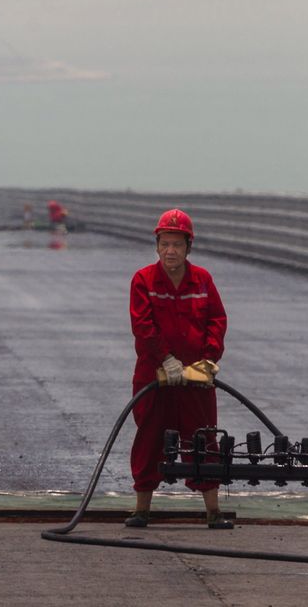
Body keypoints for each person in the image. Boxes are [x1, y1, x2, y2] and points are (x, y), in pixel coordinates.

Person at [126, 208, 232, 529]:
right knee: (149, 438)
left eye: (177, 244)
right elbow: (143, 327)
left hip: (196, 378)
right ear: (157, 246)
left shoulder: (203, 280)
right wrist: (166, 360)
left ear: (189, 247)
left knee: (203, 439)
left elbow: (216, 320)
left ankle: (213, 512)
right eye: (165, 244)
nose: (170, 251)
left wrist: (209, 358)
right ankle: (142, 510)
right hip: (155, 377)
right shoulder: (143, 280)